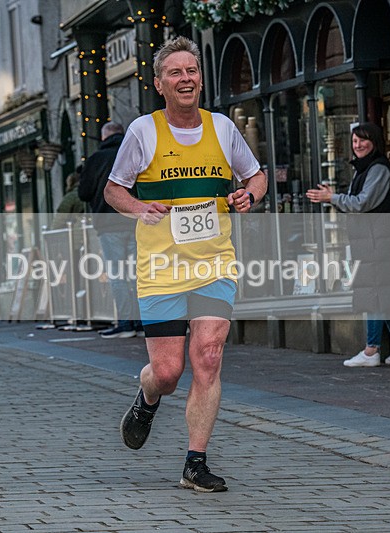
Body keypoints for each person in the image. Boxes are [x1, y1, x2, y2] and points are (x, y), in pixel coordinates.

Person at [104, 37, 267, 492]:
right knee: (169, 371)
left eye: (191, 70)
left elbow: (257, 175)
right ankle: (149, 394)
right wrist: (139, 209)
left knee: (209, 356)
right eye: (174, 72)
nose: (185, 78)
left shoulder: (222, 128)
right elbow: (113, 190)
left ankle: (195, 462)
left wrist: (248, 194)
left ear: (200, 78)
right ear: (159, 84)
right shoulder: (143, 132)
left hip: (215, 263)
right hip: (161, 271)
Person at [305, 122, 390, 368]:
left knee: (373, 295)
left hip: (380, 244)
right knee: (384, 293)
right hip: (374, 244)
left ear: (374, 141)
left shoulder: (379, 169)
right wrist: (335, 198)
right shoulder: (364, 169)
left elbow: (362, 203)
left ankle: (371, 350)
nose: (358, 145)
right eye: (354, 141)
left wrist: (331, 197)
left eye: (363, 140)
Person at [78, 122, 143, 339]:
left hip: (109, 225)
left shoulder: (96, 159)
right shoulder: (135, 153)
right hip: (136, 220)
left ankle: (126, 323)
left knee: (117, 275)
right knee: (138, 274)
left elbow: (84, 192)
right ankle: (143, 323)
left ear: (104, 137)